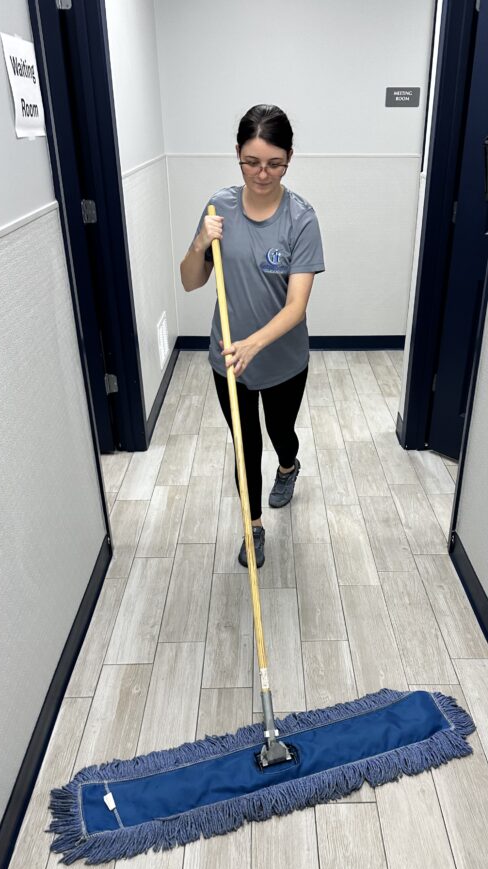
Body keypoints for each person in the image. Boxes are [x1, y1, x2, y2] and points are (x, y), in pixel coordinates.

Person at [180, 104, 325, 568]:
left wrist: (254, 344)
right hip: (228, 358)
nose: (262, 174)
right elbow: (189, 280)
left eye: (274, 163)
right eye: (251, 162)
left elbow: (296, 307)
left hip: (281, 359)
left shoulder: (301, 220)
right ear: (238, 154)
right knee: (245, 446)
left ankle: (289, 466)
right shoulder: (217, 207)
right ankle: (253, 525)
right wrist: (201, 243)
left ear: (289, 158)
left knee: (279, 432)